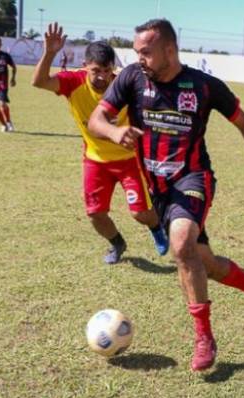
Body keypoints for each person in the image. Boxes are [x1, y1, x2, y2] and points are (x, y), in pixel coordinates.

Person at [89, 19, 244, 372]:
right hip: (159, 190)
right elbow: (96, 120)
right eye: (136, 52)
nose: (139, 59)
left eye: (146, 52)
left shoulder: (203, 86)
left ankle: (204, 338)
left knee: (181, 244)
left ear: (169, 50)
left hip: (193, 179)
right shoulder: (132, 78)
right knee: (204, 263)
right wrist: (114, 132)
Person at [31, 23, 168, 264]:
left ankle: (157, 228)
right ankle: (117, 243)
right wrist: (50, 52)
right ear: (85, 67)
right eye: (96, 70)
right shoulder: (73, 83)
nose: (102, 76)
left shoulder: (125, 83)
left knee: (140, 213)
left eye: (107, 70)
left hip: (128, 160)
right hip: (95, 160)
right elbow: (39, 82)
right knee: (95, 214)